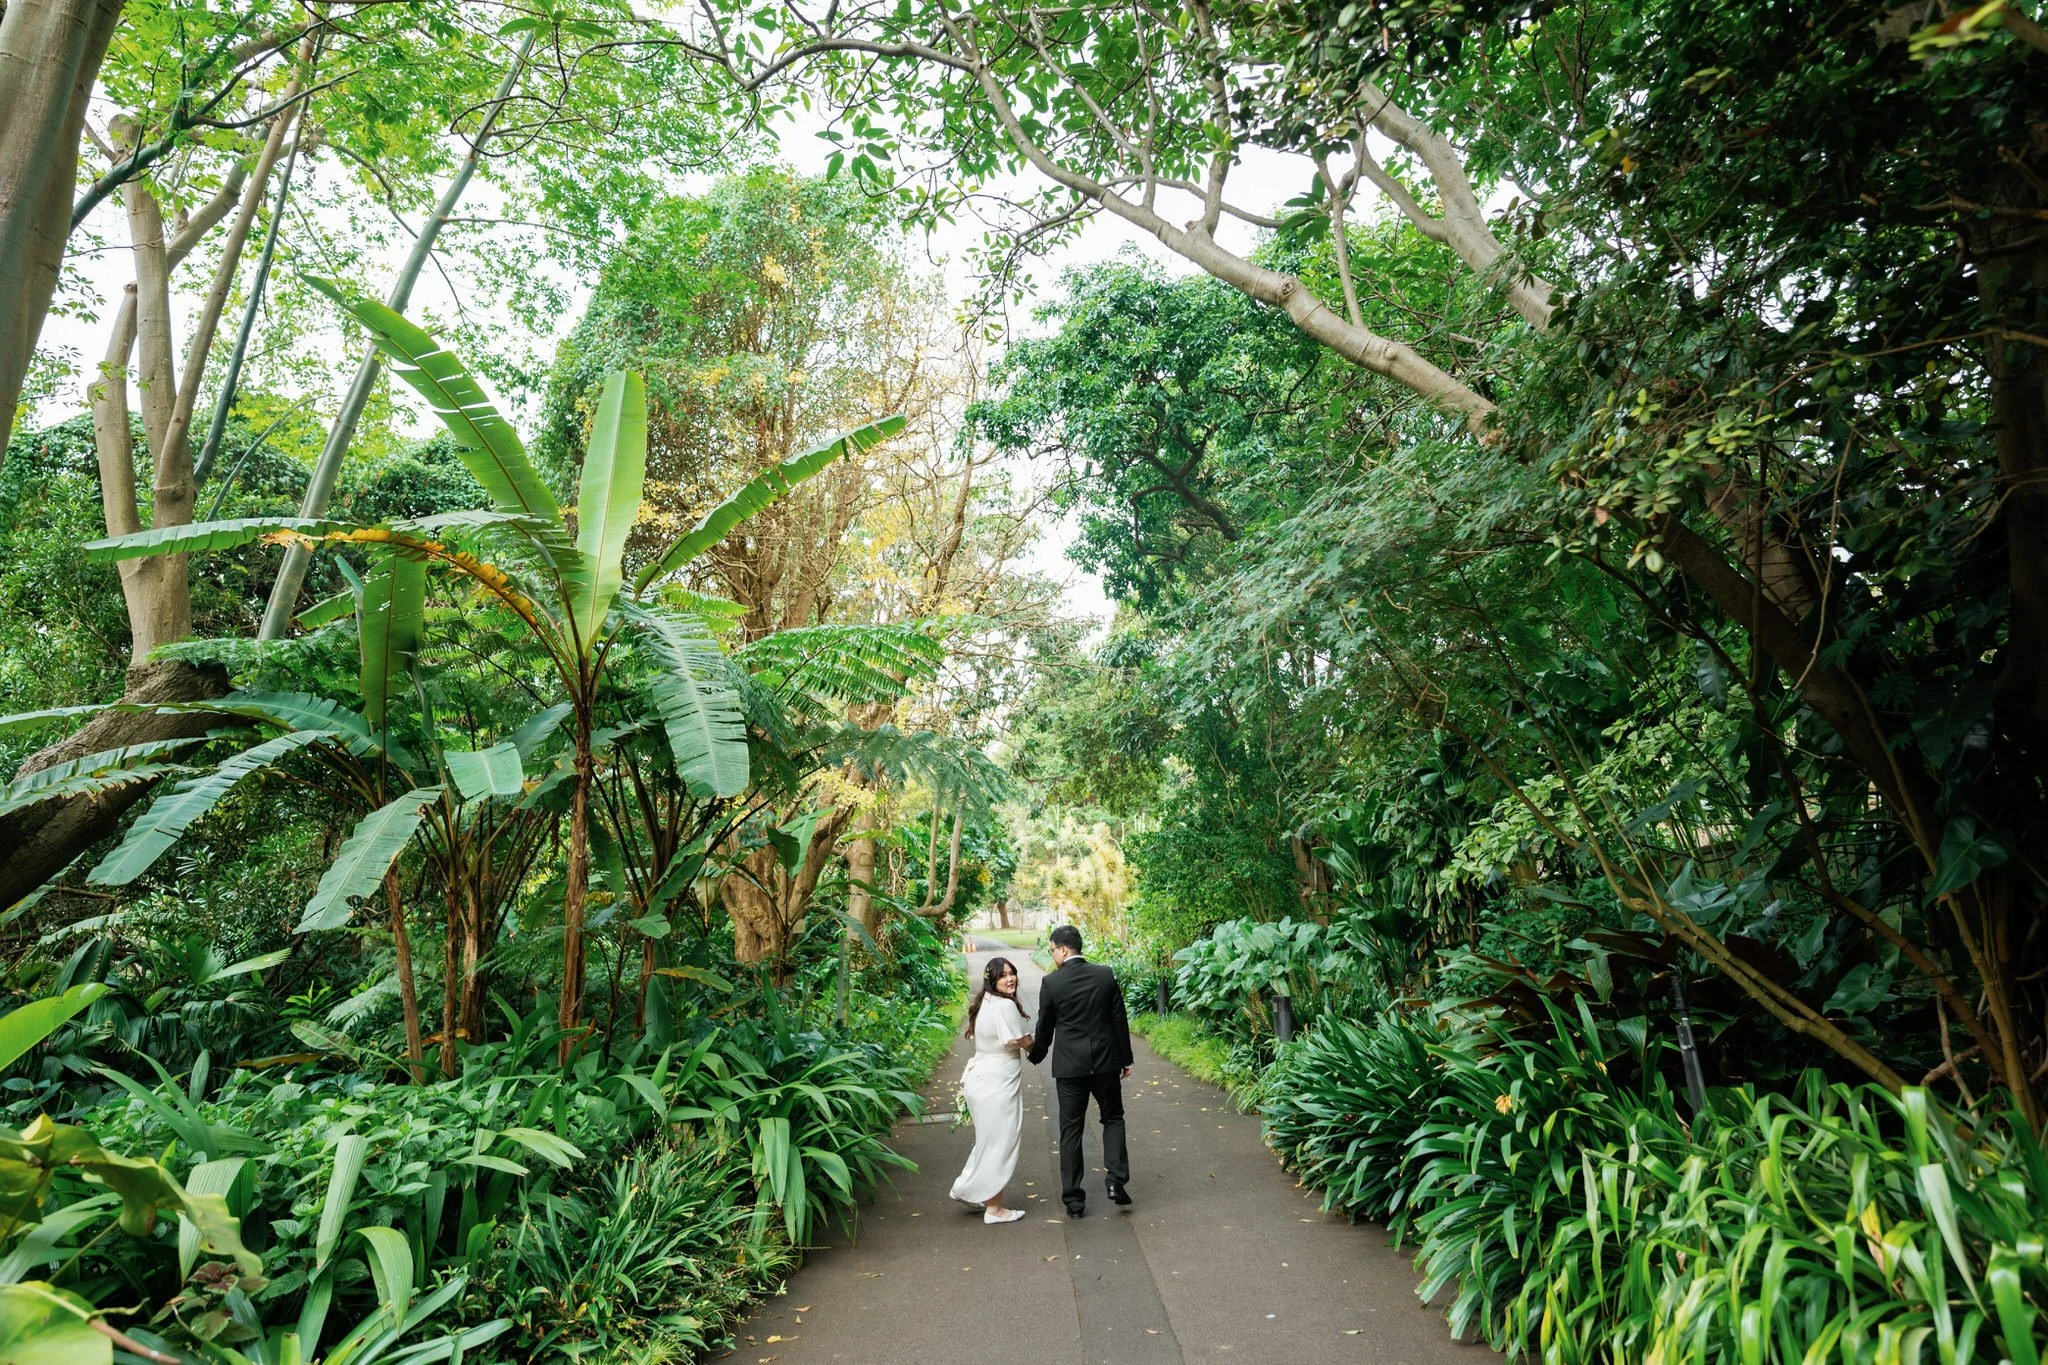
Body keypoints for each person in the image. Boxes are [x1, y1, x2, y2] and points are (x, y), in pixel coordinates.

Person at [1026, 925, 1134, 1218]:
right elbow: (1118, 1020)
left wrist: (1035, 1055)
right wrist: (1126, 1059)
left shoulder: (1052, 983)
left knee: (1070, 1129)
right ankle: (1116, 1182)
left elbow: (1044, 1027)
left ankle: (1074, 1201)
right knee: (1112, 1118)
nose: (1052, 955)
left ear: (1063, 949)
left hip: (1070, 1067)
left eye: (1052, 950)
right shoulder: (1104, 975)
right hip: (1105, 1062)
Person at [950, 956, 1034, 1224]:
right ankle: (994, 1209)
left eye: (1012, 973)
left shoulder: (983, 1002)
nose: (1010, 979)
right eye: (1003, 975)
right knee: (1001, 1143)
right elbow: (1024, 1041)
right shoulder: (1004, 1007)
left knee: (988, 1141)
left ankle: (968, 1189)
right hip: (997, 1083)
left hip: (980, 1079)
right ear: (992, 980)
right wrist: (1039, 1047)